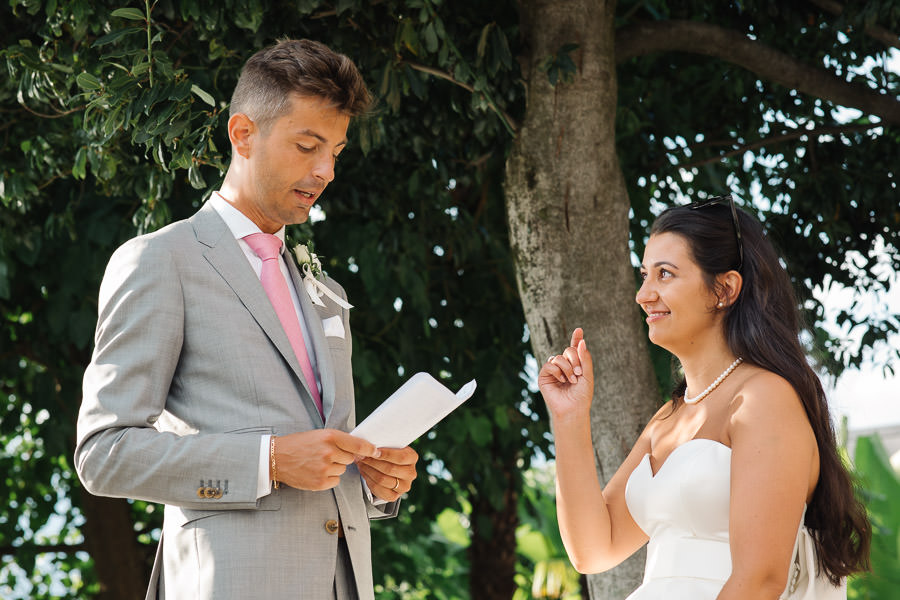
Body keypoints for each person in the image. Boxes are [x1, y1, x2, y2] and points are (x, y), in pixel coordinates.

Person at [75, 39, 418, 600]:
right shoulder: (162, 261)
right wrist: (271, 460)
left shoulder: (325, 290)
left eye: (336, 150)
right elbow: (103, 454)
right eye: (307, 146)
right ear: (242, 134)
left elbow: (326, 462)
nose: (325, 170)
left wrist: (375, 480)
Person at [539, 195, 870, 599]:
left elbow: (761, 579)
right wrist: (569, 419)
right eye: (644, 275)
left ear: (724, 289)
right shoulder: (669, 419)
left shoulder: (763, 398)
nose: (644, 294)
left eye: (665, 274)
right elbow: (594, 550)